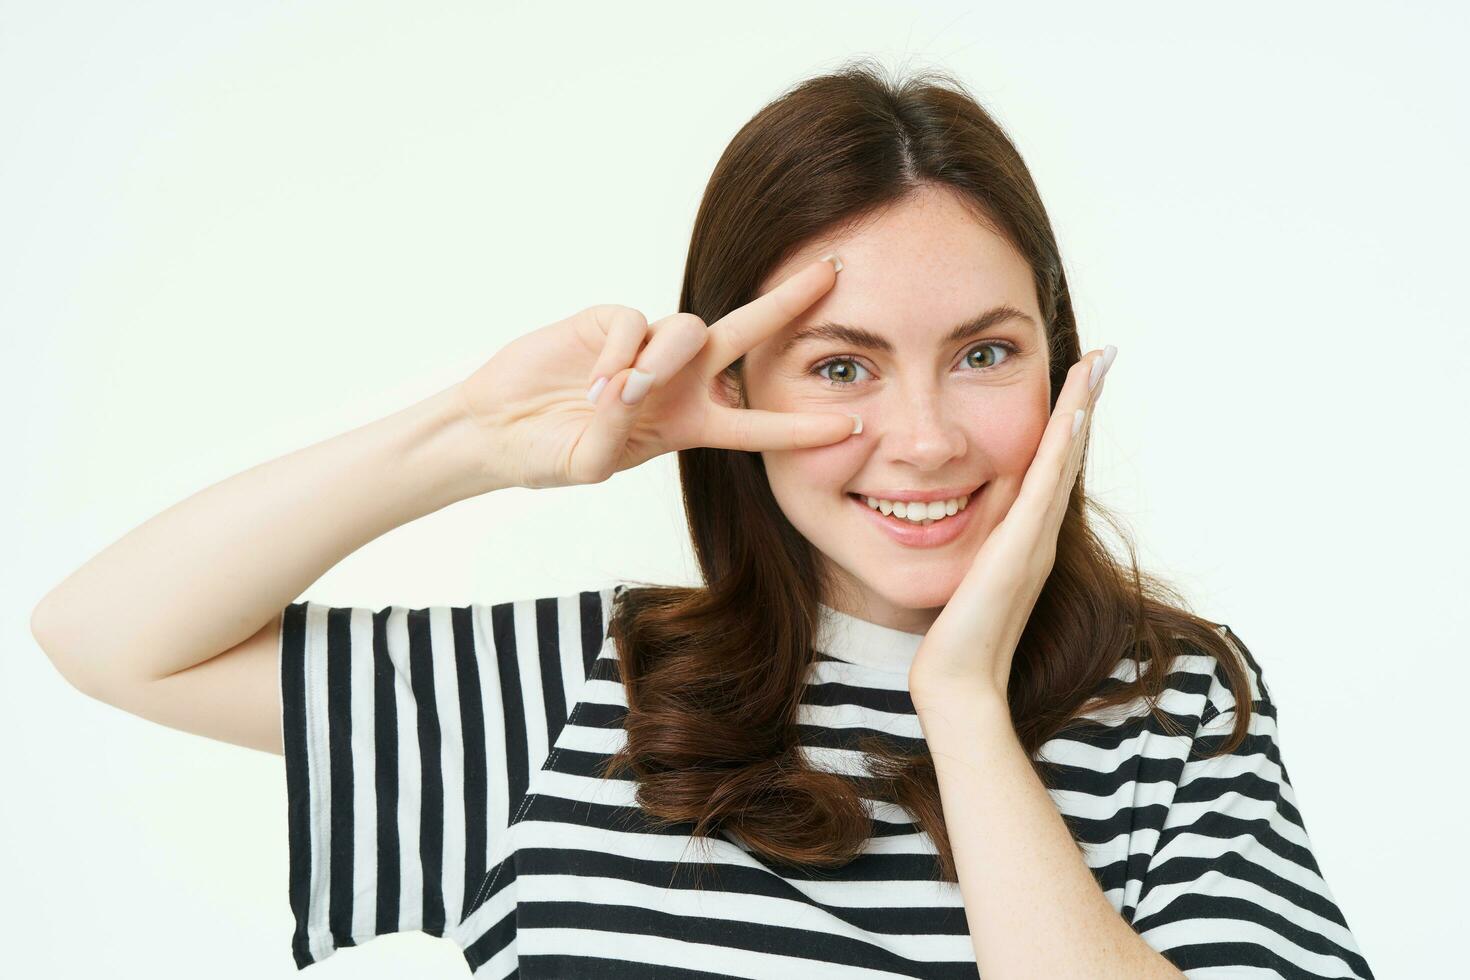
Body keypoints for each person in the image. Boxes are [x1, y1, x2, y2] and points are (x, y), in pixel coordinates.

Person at [31, 60, 1374, 978]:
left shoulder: (1172, 707)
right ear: (734, 394)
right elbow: (107, 637)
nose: (924, 436)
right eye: (840, 366)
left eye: (983, 353)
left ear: (1057, 359)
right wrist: (472, 443)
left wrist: (963, 707)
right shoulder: (590, 687)